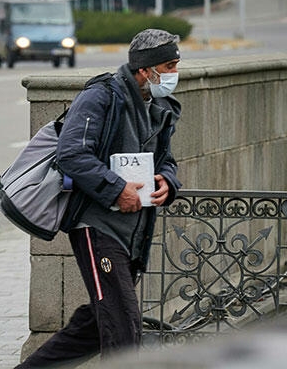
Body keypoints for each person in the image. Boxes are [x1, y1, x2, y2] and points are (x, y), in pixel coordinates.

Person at [15, 28, 183, 368]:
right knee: (124, 325)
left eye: (176, 64)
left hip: (134, 229)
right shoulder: (102, 96)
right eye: (168, 65)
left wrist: (169, 181)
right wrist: (115, 189)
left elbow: (166, 158)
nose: (174, 73)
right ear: (144, 69)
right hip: (96, 225)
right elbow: (72, 154)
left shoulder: (160, 105)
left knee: (95, 325)